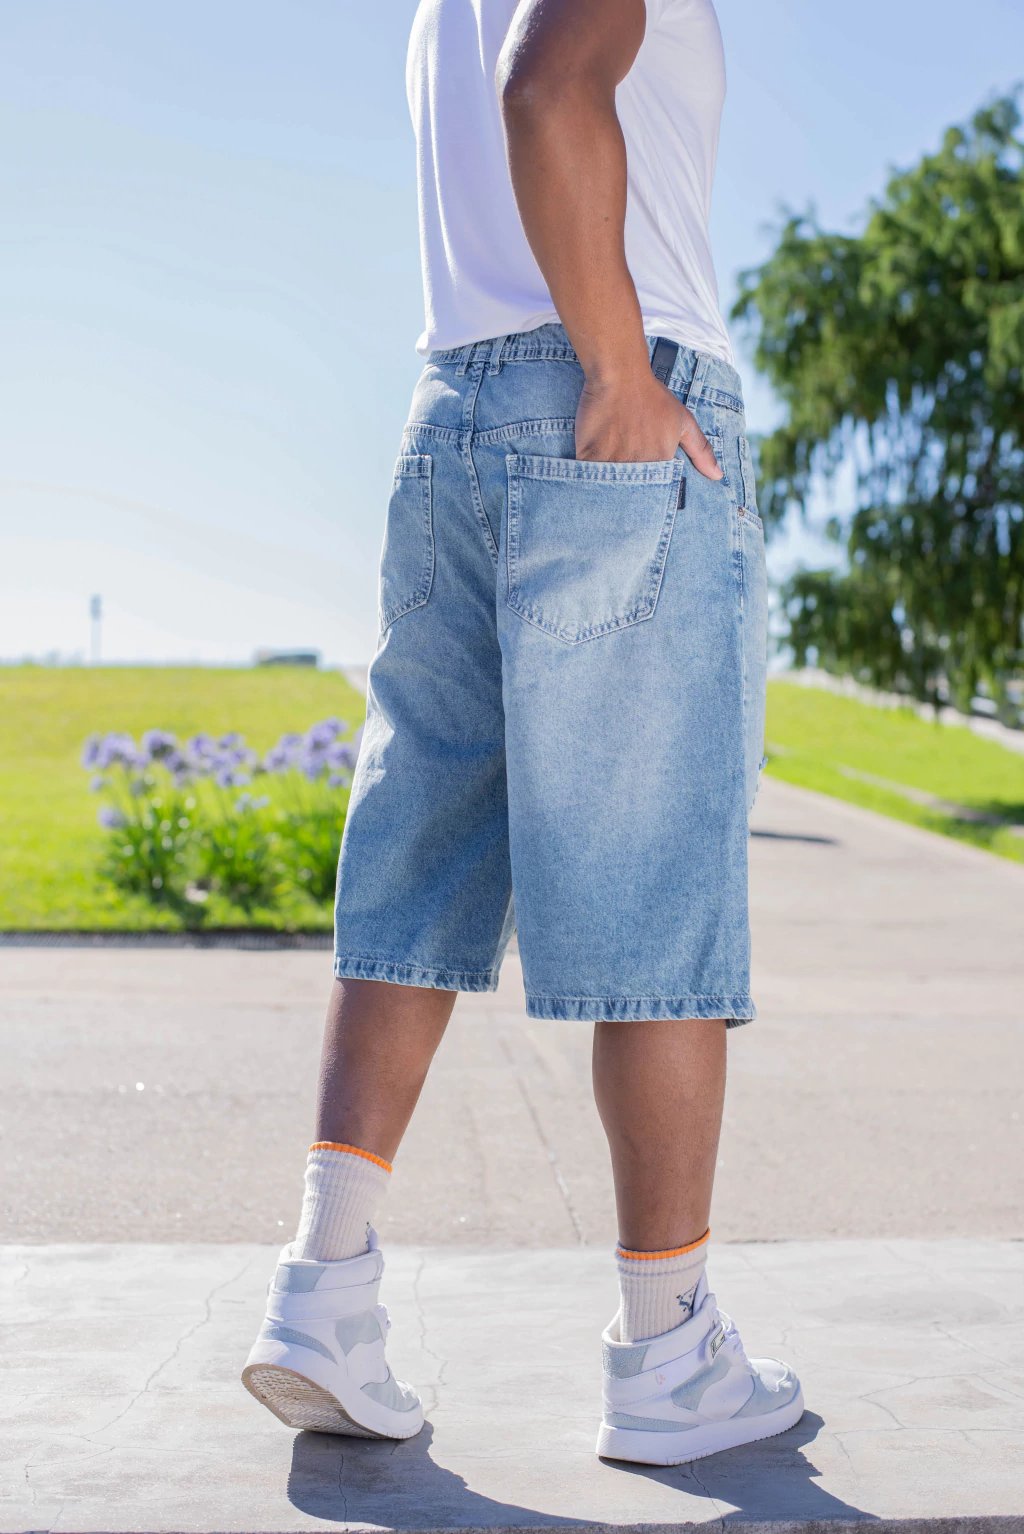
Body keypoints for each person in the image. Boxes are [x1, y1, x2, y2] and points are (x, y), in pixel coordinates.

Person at [242, 0, 803, 1467]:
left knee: (416, 860)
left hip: (449, 417)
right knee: (654, 891)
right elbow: (548, 90)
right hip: (613, 399)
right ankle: (670, 1354)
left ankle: (323, 1291)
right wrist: (619, 371)